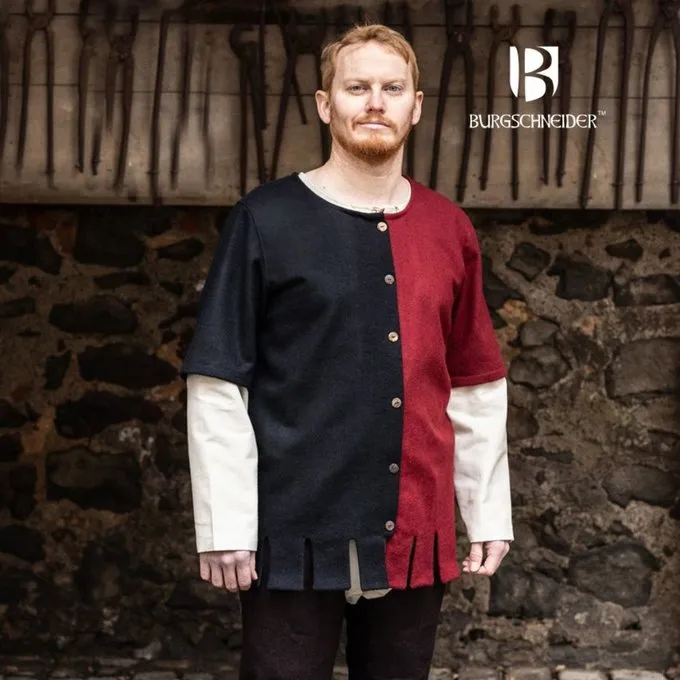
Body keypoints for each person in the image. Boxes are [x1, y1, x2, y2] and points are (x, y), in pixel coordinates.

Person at [181, 22, 514, 680]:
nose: (375, 103)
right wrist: (225, 527)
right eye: (356, 87)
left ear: (416, 106)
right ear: (324, 104)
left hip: (414, 525)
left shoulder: (449, 228)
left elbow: (474, 383)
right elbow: (218, 380)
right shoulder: (265, 219)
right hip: (293, 525)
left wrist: (488, 514)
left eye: (393, 88)